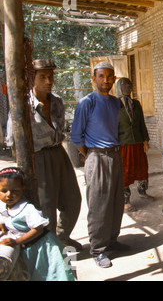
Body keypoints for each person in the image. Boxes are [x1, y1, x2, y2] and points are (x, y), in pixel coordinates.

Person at [5, 59, 82, 251]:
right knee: (46, 208)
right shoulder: (22, 105)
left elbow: (60, 130)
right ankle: (52, 247)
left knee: (73, 200)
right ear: (31, 78)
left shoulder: (56, 102)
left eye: (51, 76)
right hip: (37, 158)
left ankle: (62, 237)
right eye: (42, 77)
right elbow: (12, 140)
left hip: (59, 153)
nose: (49, 81)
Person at [70, 61, 128, 268]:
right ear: (93, 79)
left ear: (114, 79)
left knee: (116, 201)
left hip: (115, 155)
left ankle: (112, 240)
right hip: (97, 157)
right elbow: (76, 136)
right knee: (98, 204)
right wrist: (92, 155)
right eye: (101, 76)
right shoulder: (87, 102)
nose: (106, 80)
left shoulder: (115, 102)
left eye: (110, 76)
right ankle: (98, 250)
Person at [0, 167, 77, 281]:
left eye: (15, 191)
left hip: (44, 247)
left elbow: (38, 229)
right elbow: (7, 219)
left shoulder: (27, 209)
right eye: (4, 191)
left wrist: (16, 242)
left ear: (23, 189)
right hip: (30, 248)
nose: (9, 195)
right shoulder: (6, 207)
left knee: (55, 273)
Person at [116, 78, 152, 212]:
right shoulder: (114, 105)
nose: (128, 87)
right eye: (124, 85)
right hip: (124, 143)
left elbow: (142, 123)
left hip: (137, 142)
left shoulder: (136, 104)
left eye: (130, 85)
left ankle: (143, 191)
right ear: (119, 87)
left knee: (142, 168)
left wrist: (146, 140)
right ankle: (125, 200)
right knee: (126, 171)